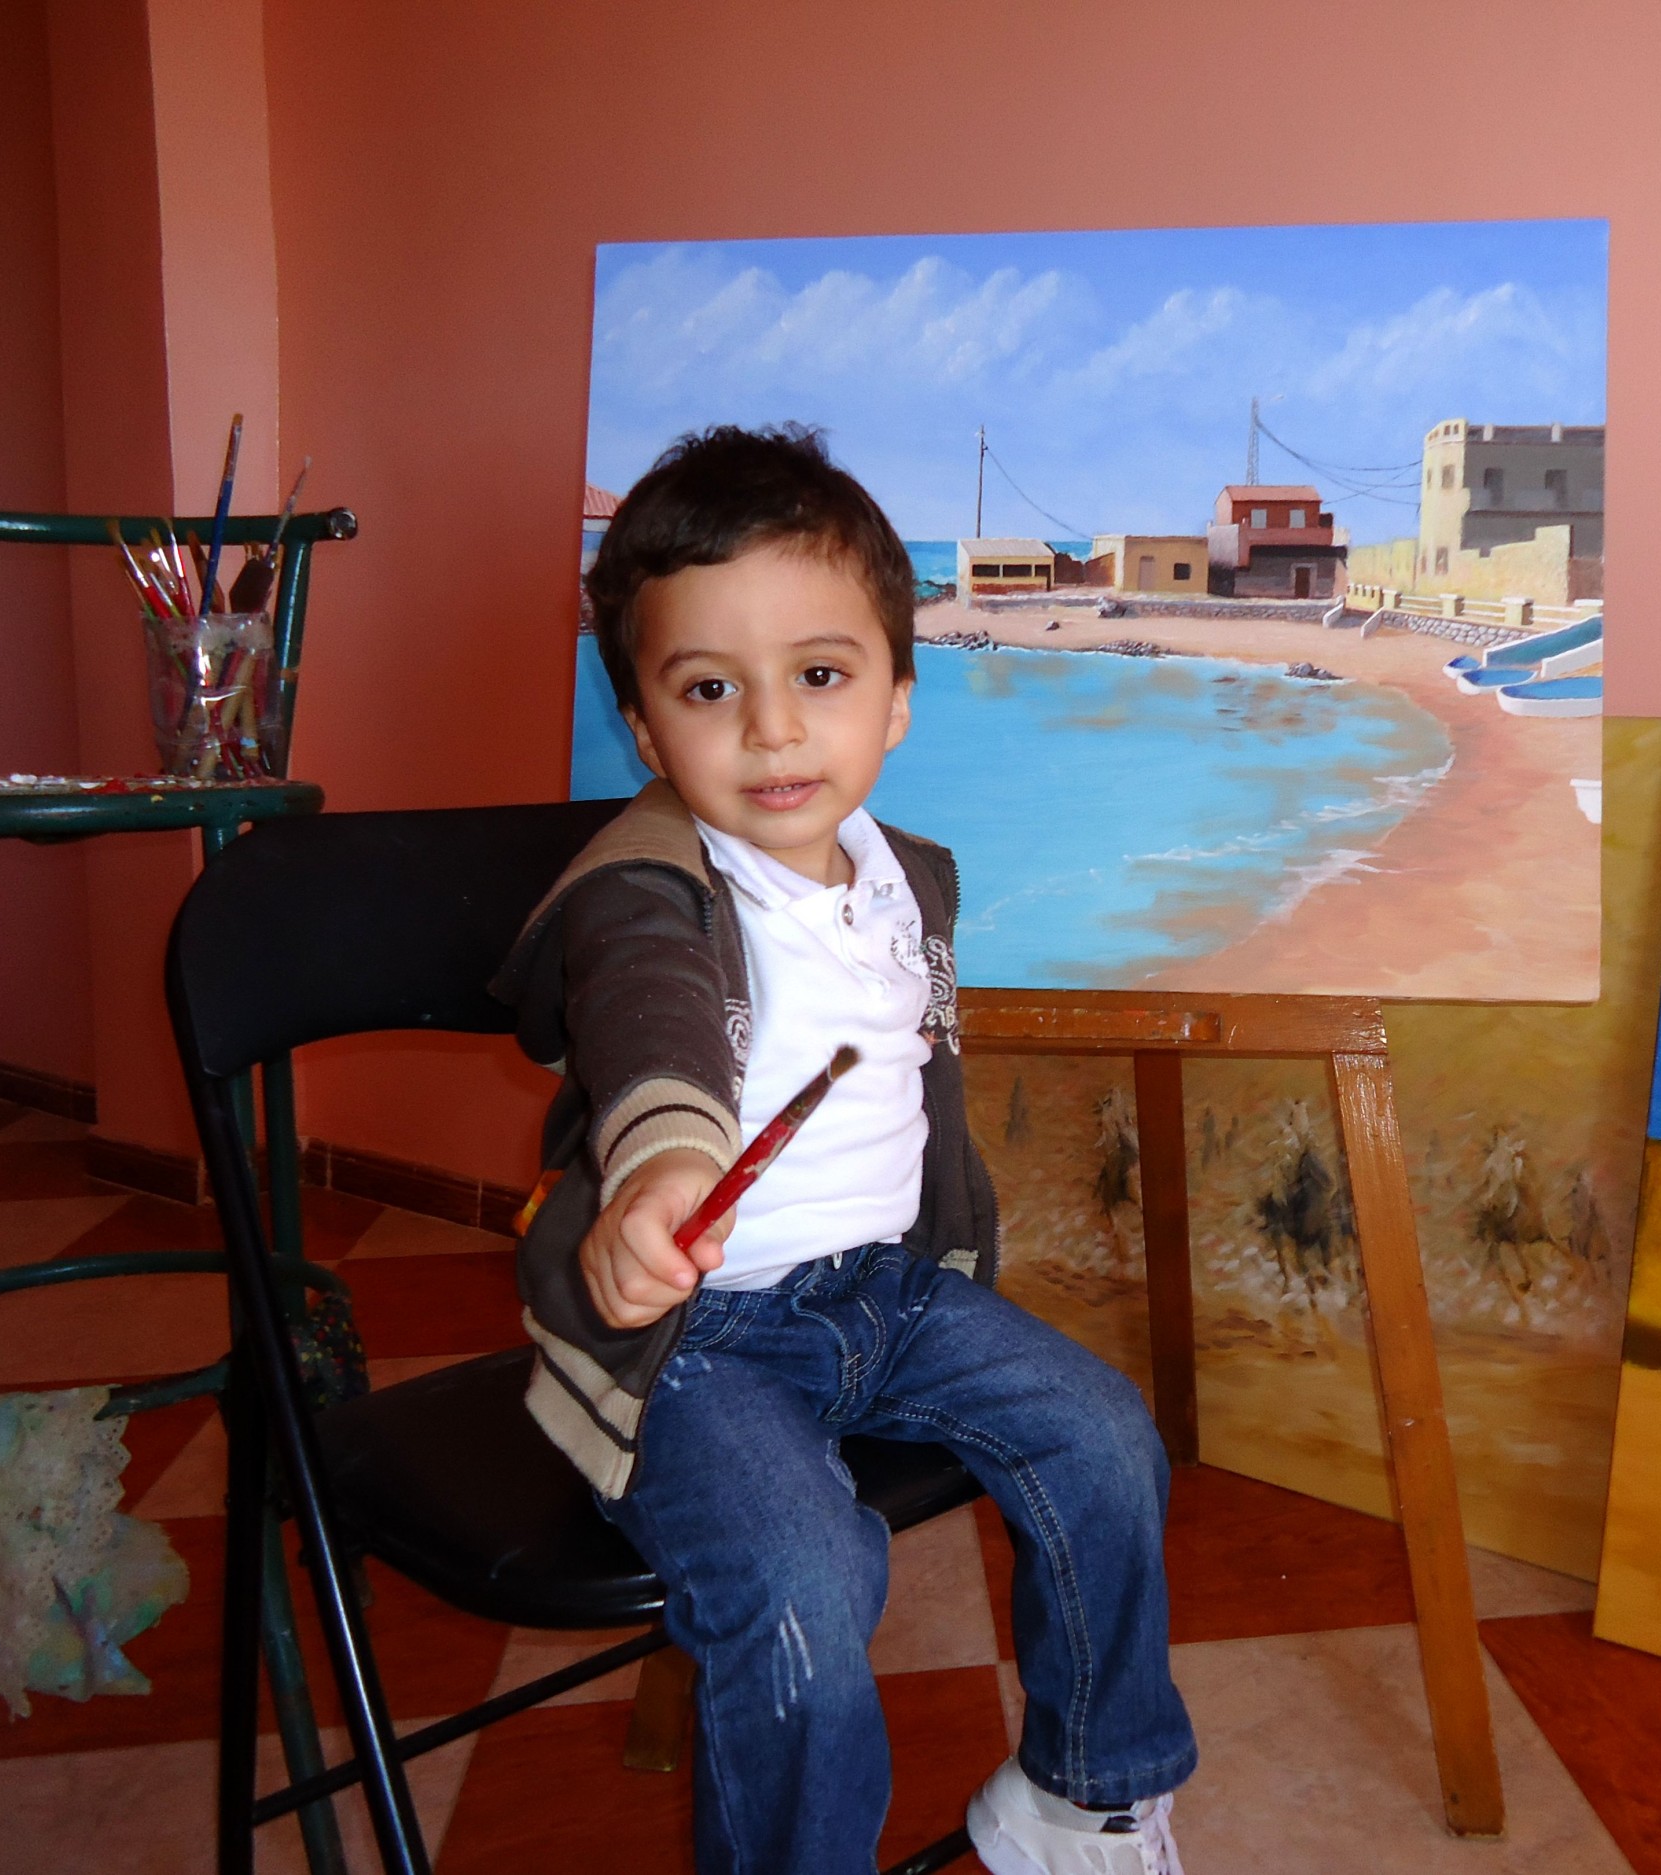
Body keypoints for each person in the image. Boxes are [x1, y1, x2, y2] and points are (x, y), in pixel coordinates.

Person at [494, 426, 1195, 1874]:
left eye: (819, 675)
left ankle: (1083, 1790)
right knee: (807, 1583)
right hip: (699, 1340)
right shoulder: (642, 891)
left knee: (1106, 1436)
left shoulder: (909, 877)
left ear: (898, 700)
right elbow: (649, 1022)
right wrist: (662, 1171)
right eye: (709, 689)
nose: (771, 731)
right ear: (644, 728)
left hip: (887, 1291)